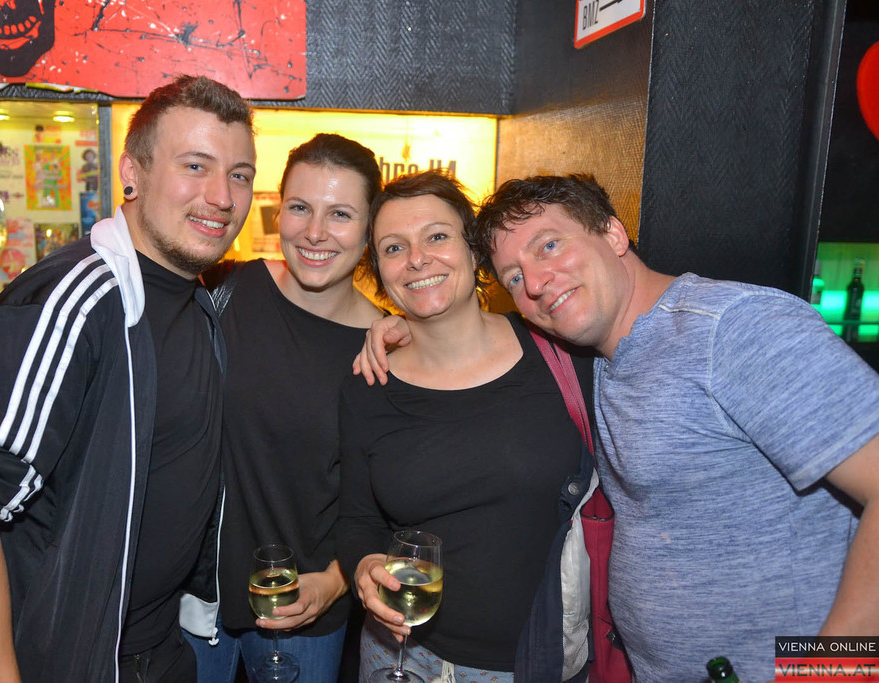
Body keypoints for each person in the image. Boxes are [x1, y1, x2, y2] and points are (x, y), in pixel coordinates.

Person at [359, 174, 879, 682]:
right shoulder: (594, 358)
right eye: (514, 277)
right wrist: (413, 324)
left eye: (549, 246)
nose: (535, 283)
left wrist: (830, 672)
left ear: (612, 233)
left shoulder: (734, 327)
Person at [0, 74, 257, 682]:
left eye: (240, 175)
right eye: (195, 166)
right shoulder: (75, 299)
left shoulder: (199, 304)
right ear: (133, 172)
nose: (221, 196)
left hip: (159, 651)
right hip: (62, 662)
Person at [337, 170, 598, 682]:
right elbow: (357, 519)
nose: (417, 259)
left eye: (437, 236)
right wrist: (365, 566)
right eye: (394, 248)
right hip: (400, 657)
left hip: (530, 664)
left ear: (475, 251)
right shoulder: (368, 384)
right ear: (379, 272)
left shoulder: (559, 354)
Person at [180, 133, 386, 682]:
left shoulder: (387, 350)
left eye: (340, 214)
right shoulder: (225, 288)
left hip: (305, 603)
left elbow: (387, 497)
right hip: (194, 597)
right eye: (299, 207)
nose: (314, 232)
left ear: (370, 229)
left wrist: (335, 581)